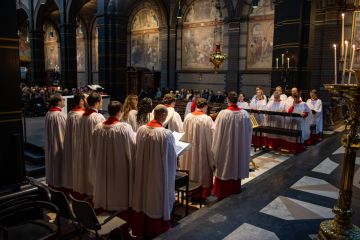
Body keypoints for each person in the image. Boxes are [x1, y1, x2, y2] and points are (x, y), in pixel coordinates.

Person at [132, 105, 177, 238]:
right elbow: (171, 160)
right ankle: (157, 228)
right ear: (163, 116)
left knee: (143, 195)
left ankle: (142, 226)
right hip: (158, 174)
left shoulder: (141, 130)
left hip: (143, 172)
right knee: (156, 199)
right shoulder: (166, 134)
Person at [92, 101, 136, 214]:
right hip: (119, 168)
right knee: (118, 190)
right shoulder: (124, 128)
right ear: (119, 112)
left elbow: (94, 150)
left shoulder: (98, 128)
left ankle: (104, 206)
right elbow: (133, 147)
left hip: (102, 167)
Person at [211, 91, 253, 199]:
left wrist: (214, 150)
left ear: (227, 100)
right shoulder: (244, 114)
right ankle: (235, 188)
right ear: (237, 100)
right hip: (239, 148)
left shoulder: (223, 114)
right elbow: (249, 131)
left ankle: (222, 192)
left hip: (226, 147)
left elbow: (216, 132)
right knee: (236, 164)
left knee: (225, 166)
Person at [179, 98, 214, 199]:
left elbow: (183, 133)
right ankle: (202, 193)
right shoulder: (207, 119)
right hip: (202, 150)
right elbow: (213, 135)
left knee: (190, 167)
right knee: (202, 169)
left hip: (189, 150)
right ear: (205, 107)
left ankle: (190, 190)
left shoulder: (188, 117)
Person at [74, 93, 105, 195]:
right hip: (94, 150)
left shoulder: (83, 116)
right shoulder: (98, 117)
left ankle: (86, 191)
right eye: (101, 101)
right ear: (96, 103)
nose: (102, 103)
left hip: (84, 148)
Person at [62, 93, 86, 191]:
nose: (85, 101)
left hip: (71, 144)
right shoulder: (82, 115)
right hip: (80, 146)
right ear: (81, 101)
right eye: (84, 99)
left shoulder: (70, 113)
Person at [44, 94, 66, 188]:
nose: (64, 101)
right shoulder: (60, 115)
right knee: (59, 165)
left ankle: (53, 184)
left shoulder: (48, 114)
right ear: (58, 102)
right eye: (63, 100)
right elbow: (67, 132)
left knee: (53, 164)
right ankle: (59, 185)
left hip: (51, 145)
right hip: (59, 145)